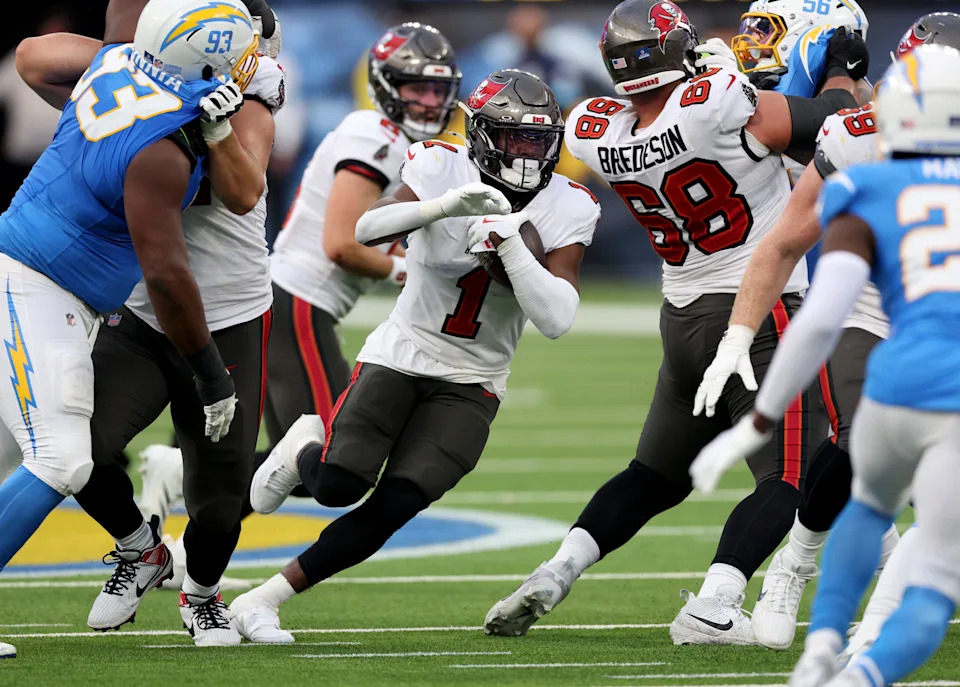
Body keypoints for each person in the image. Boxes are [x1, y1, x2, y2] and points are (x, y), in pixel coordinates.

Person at [484, 0, 867, 646]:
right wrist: (839, 67)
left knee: (654, 473)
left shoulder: (596, 129)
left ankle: (556, 570)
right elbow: (829, 121)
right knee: (791, 478)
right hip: (759, 309)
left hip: (682, 314)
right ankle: (717, 602)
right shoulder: (716, 100)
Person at [226, 69, 601, 643]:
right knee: (335, 488)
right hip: (403, 353)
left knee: (397, 503)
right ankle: (305, 442)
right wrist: (445, 206)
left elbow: (556, 319)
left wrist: (512, 248)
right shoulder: (438, 164)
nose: (526, 153)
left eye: (538, 140)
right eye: (513, 138)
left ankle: (262, 600)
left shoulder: (568, 204)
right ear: (479, 135)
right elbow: (367, 227)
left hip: (476, 378)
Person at [133, 21, 461, 584]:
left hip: (293, 302)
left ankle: (188, 542)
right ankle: (179, 472)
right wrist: (405, 268)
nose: (428, 100)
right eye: (415, 86)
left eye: (437, 89)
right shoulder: (376, 136)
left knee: (323, 463)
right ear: (386, 85)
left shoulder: (393, 137)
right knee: (334, 463)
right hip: (299, 302)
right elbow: (341, 242)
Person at [690, 43, 960, 687]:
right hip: (913, 356)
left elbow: (815, 316)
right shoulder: (856, 150)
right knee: (928, 521)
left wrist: (755, 423)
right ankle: (855, 644)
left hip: (908, 368)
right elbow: (788, 250)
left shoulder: (868, 177)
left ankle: (831, 645)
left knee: (885, 503)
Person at [9, 0, 265, 646]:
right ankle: (141, 548)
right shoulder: (162, 146)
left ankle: (149, 555)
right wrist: (210, 377)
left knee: (45, 454)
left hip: (48, 281)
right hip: (41, 285)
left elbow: (243, 190)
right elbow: (167, 275)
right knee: (60, 457)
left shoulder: (118, 62)